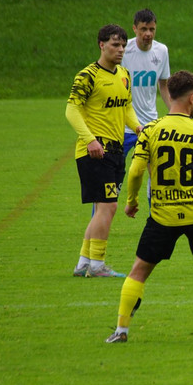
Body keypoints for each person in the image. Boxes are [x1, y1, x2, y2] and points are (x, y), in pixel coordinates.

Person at [105, 71, 193, 343]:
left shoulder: (150, 131)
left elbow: (135, 172)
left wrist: (132, 202)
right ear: (192, 98)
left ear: (170, 96)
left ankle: (121, 331)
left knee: (139, 270)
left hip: (163, 215)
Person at [66, 24, 140, 278]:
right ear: (101, 45)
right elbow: (72, 110)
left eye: (123, 46)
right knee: (108, 207)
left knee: (103, 208)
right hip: (96, 152)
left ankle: (83, 264)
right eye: (115, 45)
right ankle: (97, 265)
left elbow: (126, 107)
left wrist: (138, 127)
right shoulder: (88, 76)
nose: (120, 50)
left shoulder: (124, 75)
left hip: (115, 151)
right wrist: (90, 140)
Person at [122, 8, 172, 158]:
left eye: (152, 29)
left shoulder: (161, 51)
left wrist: (174, 110)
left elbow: (163, 85)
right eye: (143, 29)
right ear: (135, 29)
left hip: (150, 124)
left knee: (155, 166)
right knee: (116, 166)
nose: (148, 34)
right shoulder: (123, 50)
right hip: (124, 126)